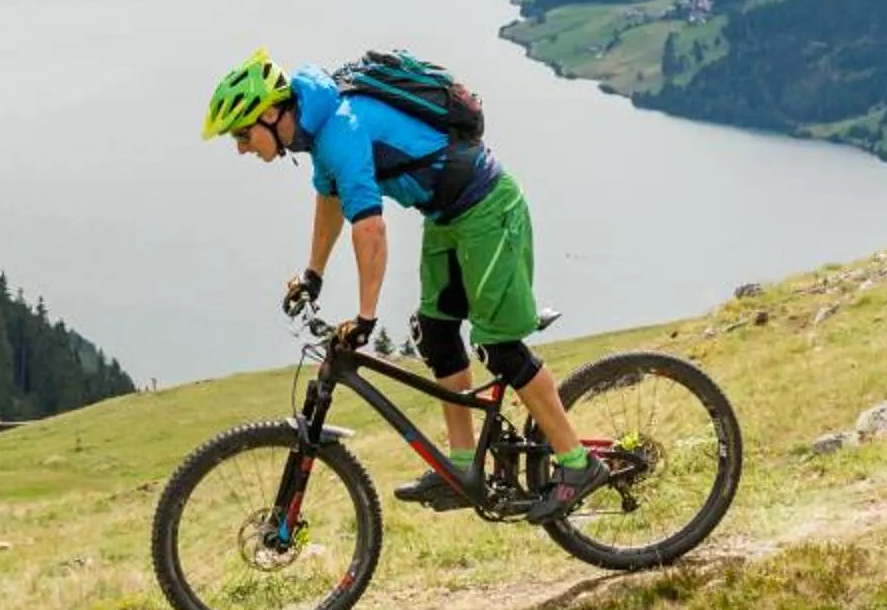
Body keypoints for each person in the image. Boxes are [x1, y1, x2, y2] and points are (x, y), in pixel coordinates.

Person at [200, 49, 611, 521]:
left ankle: (578, 463)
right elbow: (330, 198)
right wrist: (313, 274)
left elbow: (369, 228)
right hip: (447, 217)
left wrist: (366, 316)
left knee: (498, 345)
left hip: (489, 211)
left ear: (272, 114)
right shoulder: (318, 131)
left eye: (243, 133)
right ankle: (462, 467)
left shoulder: (340, 129)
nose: (241, 147)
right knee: (435, 334)